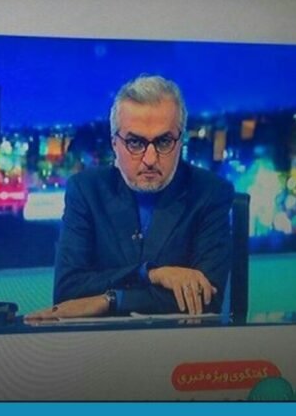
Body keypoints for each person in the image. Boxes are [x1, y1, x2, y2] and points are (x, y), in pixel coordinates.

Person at [26, 75, 233, 320]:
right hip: (100, 342)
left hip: (177, 340)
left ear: (180, 141)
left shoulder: (210, 193)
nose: (150, 159)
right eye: (135, 142)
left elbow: (205, 299)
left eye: (164, 141)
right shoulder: (86, 191)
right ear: (115, 143)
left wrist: (110, 301)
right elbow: (68, 292)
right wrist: (150, 274)